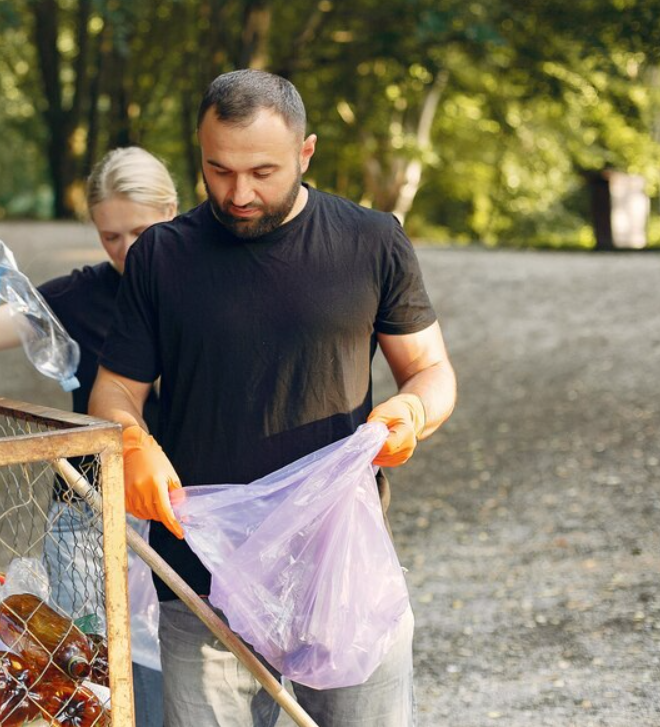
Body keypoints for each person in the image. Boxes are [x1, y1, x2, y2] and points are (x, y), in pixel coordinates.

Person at [90, 70, 457, 727]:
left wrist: (415, 410)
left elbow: (429, 367)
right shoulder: (161, 256)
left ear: (306, 152)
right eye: (219, 170)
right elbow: (114, 389)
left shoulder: (371, 240)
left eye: (263, 171)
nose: (239, 193)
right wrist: (130, 439)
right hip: (200, 576)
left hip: (337, 565)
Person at [0, 146, 178, 727]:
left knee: (182, 675)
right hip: (88, 514)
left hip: (179, 507)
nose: (125, 251)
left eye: (141, 232)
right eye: (110, 236)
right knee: (91, 680)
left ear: (174, 210)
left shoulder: (207, 284)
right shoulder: (82, 295)